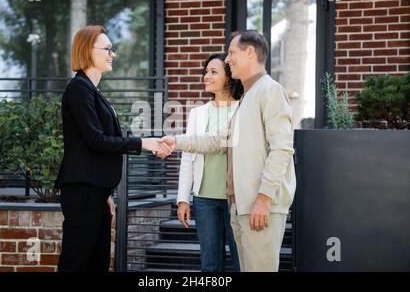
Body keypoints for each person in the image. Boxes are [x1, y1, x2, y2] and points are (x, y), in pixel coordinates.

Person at [159, 30, 296, 272]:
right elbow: (215, 140)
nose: (228, 59)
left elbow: (282, 150)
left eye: (232, 53)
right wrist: (175, 141)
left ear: (250, 53)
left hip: (258, 207)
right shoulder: (248, 97)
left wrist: (264, 199)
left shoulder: (270, 91)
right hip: (243, 208)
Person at [55, 25, 170, 272]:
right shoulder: (78, 89)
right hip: (82, 193)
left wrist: (105, 192)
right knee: (76, 264)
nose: (112, 54)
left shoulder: (91, 90)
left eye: (112, 49)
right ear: (87, 50)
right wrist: (144, 143)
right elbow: (96, 140)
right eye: (107, 49)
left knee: (97, 264)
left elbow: (94, 147)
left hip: (94, 192)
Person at [177, 53, 242, 272]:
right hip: (204, 198)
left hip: (237, 200)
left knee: (242, 262)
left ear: (229, 77)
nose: (206, 76)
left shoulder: (244, 109)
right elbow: (188, 155)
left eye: (213, 72)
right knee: (210, 265)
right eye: (206, 71)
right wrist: (183, 199)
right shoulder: (197, 113)